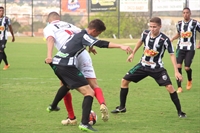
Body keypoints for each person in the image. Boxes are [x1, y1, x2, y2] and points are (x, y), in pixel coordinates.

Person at [44, 12, 132, 131]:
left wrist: (90, 46)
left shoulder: (80, 34)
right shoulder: (82, 34)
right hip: (66, 65)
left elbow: (88, 41)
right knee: (89, 92)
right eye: (98, 34)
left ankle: (53, 106)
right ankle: (84, 123)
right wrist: (120, 46)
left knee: (67, 85)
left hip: (57, 63)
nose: (97, 36)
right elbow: (101, 43)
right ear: (95, 31)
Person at [111, 17, 186, 118]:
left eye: (154, 27)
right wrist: (132, 53)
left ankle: (180, 111)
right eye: (150, 26)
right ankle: (122, 107)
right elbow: (140, 41)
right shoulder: (145, 33)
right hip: (142, 65)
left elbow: (172, 55)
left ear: (160, 27)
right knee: (124, 81)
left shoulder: (165, 39)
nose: (152, 29)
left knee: (169, 87)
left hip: (157, 68)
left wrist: (176, 71)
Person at [170, 7, 200, 93]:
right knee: (178, 66)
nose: (185, 14)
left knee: (187, 68)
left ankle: (189, 79)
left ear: (190, 14)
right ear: (182, 14)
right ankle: (179, 87)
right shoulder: (179, 23)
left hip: (190, 48)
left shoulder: (195, 23)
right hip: (180, 48)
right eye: (184, 13)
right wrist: (172, 39)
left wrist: (199, 43)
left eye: (187, 12)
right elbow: (179, 34)